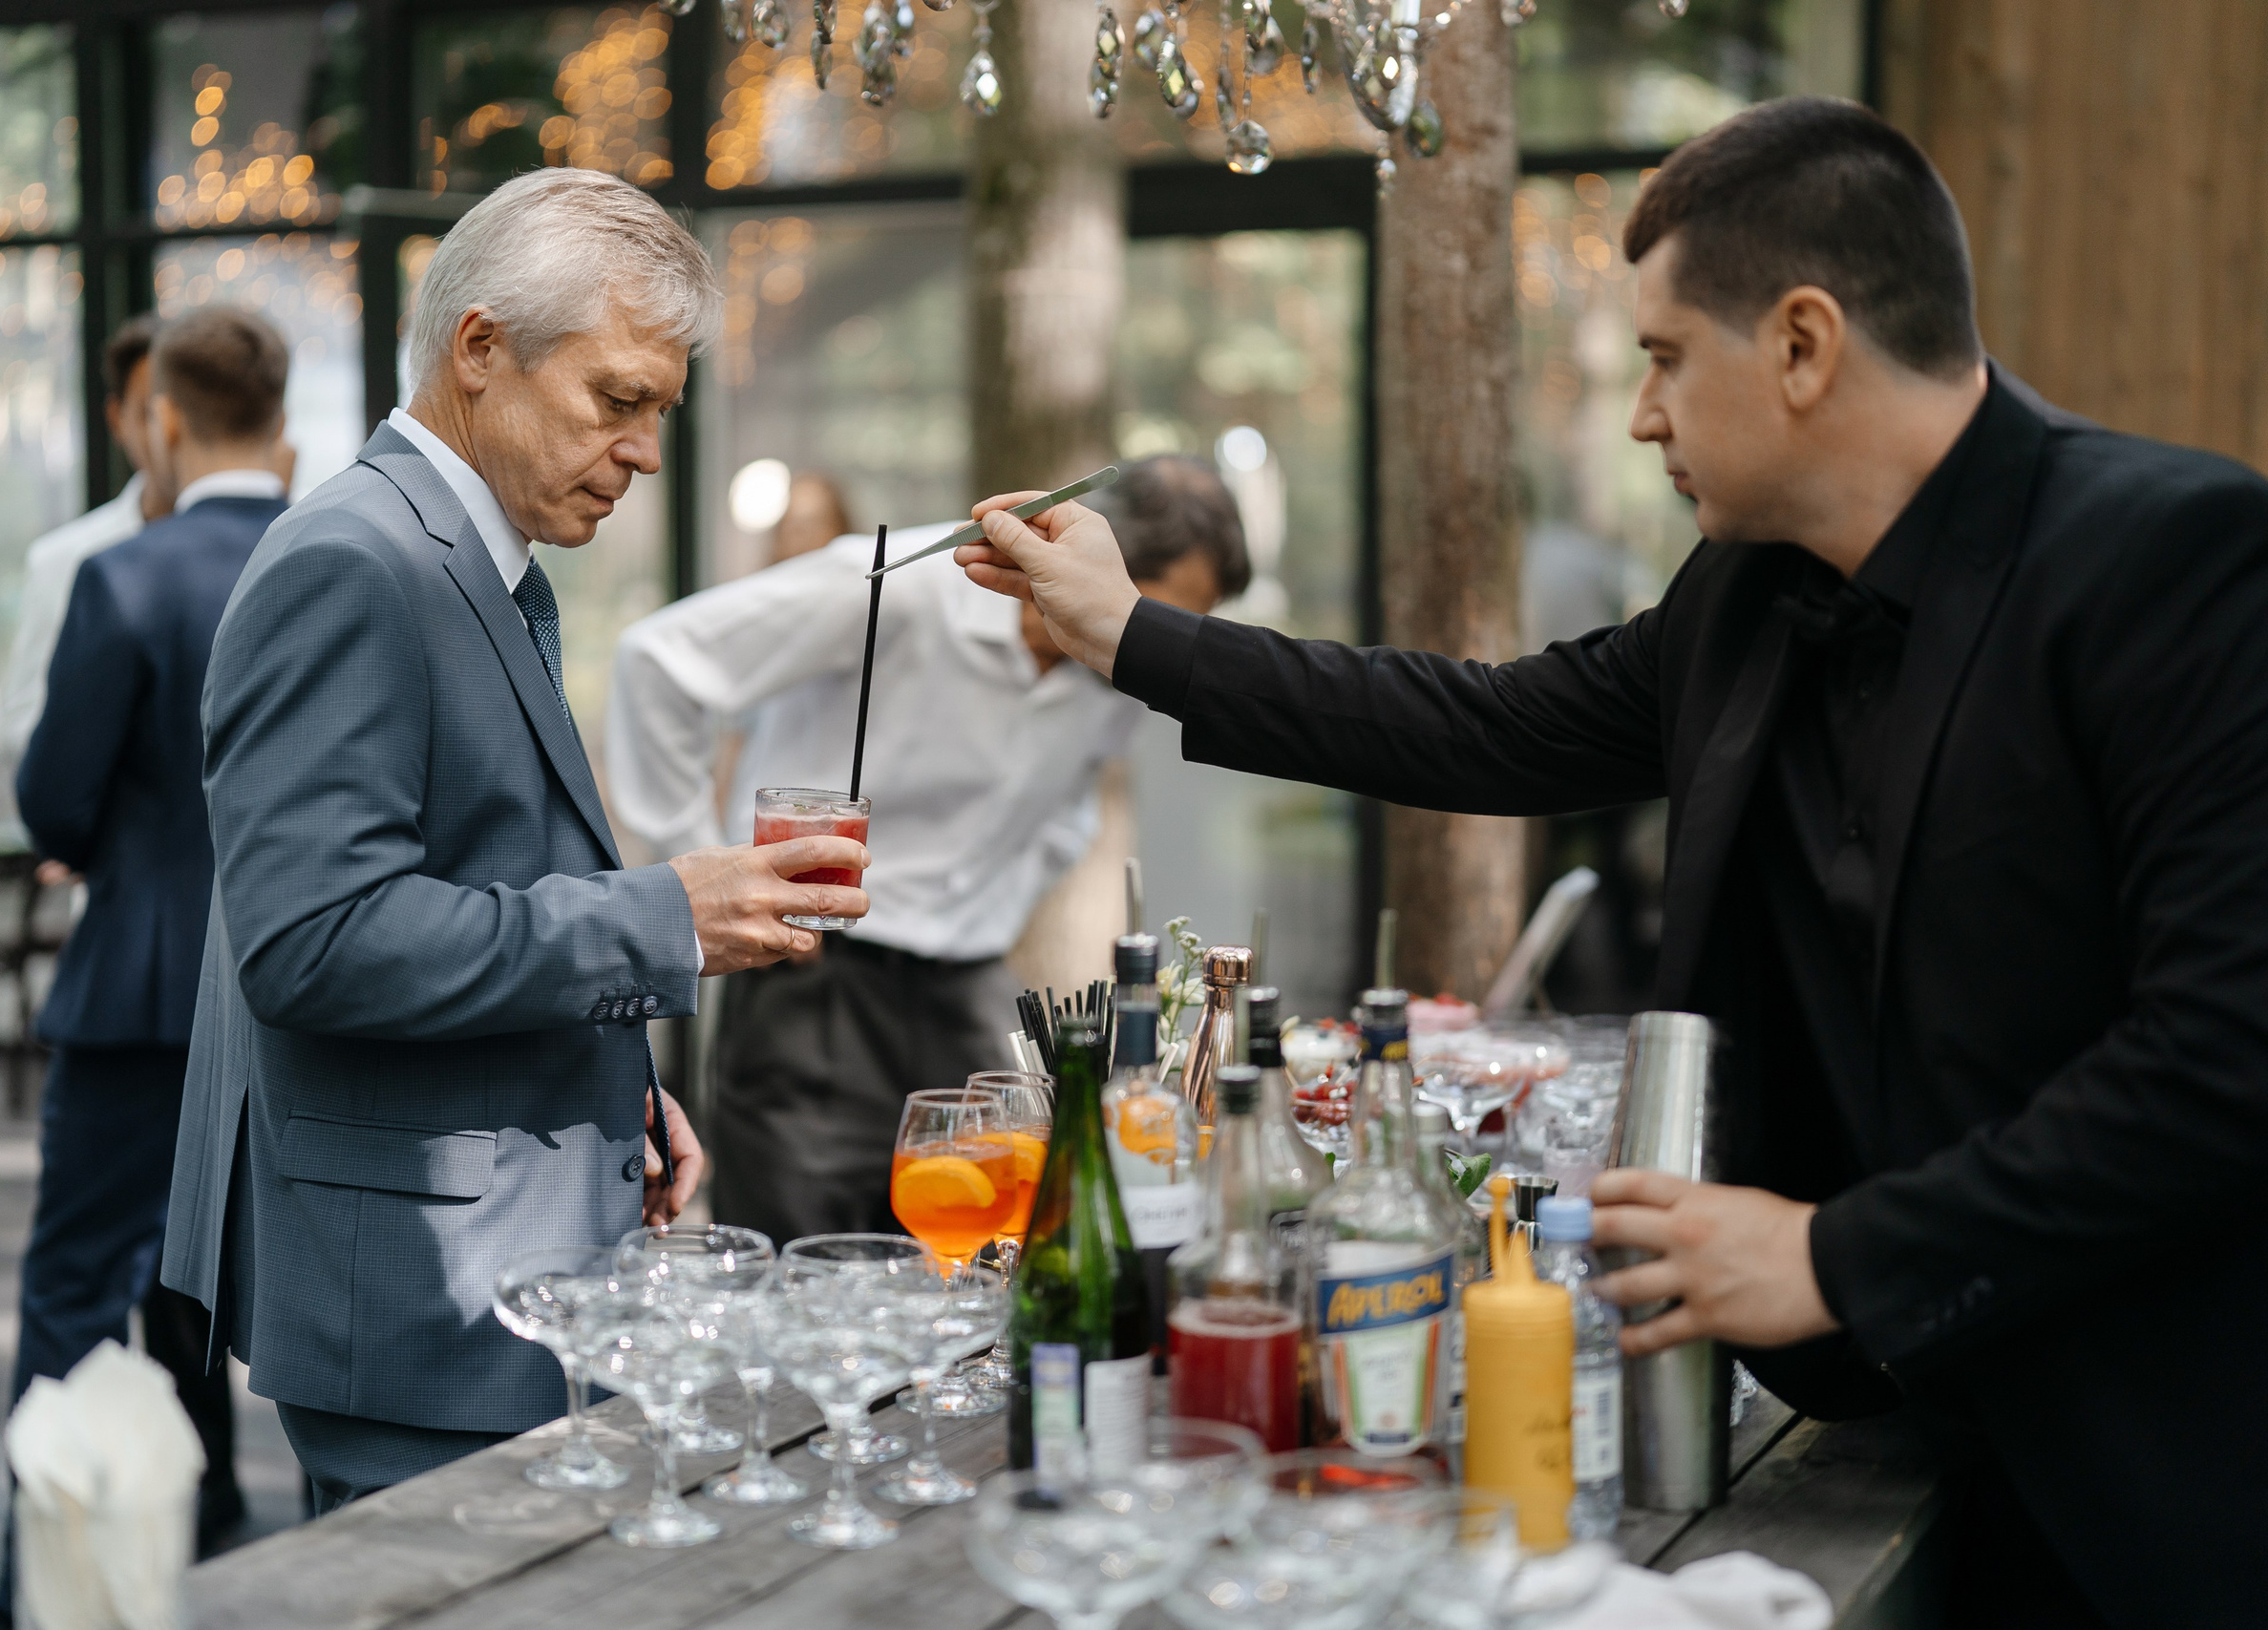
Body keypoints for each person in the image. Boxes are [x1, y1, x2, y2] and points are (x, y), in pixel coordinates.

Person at [953, 97, 2266, 1630]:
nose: (1643, 415)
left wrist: (1839, 1254)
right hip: (1870, 1439)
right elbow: (1488, 725)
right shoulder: (1742, 596)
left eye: (1663, 356)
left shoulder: (2179, 560)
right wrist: (1134, 635)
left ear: (1802, 344)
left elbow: (2223, 1057)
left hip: (2150, 1470)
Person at [159, 168, 865, 1515]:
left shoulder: (463, 560)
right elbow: (315, 944)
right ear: (480, 349)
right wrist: (666, 917)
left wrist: (605, 1087)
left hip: (479, 1284)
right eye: (617, 399)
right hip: (422, 1311)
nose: (644, 450)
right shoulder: (354, 564)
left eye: (660, 410)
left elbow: (466, 879)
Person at [607, 457, 1245, 1244]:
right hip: (814, 989)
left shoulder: (1112, 672)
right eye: (1156, 616)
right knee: (803, 1266)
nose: (1159, 647)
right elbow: (658, 660)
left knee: (987, 1259)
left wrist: (998, 899)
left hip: (968, 995)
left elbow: (1071, 810)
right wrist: (708, 876)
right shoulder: (896, 584)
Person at [0, 307, 293, 1630]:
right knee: (286, 1286)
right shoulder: (348, 558)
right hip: (307, 992)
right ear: (280, 419)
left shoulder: (125, 577)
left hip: (145, 987)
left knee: (73, 1287)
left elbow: (53, 802)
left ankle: (33, 1593)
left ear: (159, 416)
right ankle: (251, 1527)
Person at [0, 317, 170, 765]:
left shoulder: (266, 545)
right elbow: (24, 726)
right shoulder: (64, 560)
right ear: (117, 420)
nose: (169, 433)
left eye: (182, 411)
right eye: (149, 412)